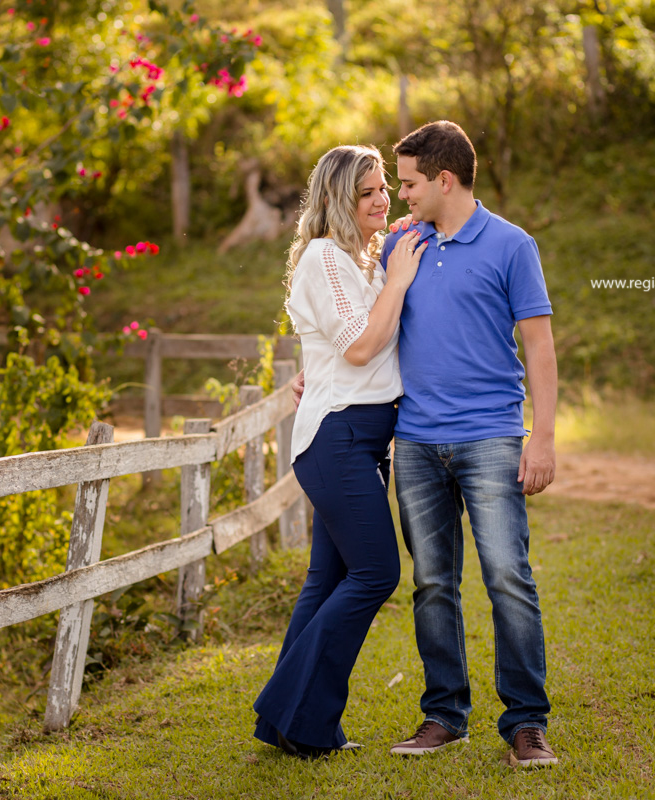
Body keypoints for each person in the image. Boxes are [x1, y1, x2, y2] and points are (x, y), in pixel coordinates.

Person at [295, 120, 560, 767]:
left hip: (491, 435)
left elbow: (540, 345)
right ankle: (444, 714)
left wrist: (544, 437)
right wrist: (313, 371)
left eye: (407, 184)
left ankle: (526, 722)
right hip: (413, 440)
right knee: (433, 583)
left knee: (508, 578)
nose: (398, 196)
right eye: (388, 186)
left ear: (444, 179)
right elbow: (355, 320)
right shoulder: (399, 244)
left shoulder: (512, 245)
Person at [252, 144, 426, 759]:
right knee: (377, 572)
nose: (382, 199)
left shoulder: (363, 259)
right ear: (337, 199)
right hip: (337, 436)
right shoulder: (325, 256)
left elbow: (348, 346)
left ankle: (295, 728)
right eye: (366, 192)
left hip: (363, 437)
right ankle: (289, 710)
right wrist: (398, 281)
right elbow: (358, 346)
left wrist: (393, 267)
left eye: (383, 188)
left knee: (326, 580)